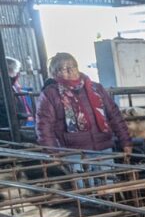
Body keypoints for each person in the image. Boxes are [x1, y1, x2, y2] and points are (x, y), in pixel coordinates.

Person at [35, 52, 132, 187]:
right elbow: (44, 126)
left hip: (103, 147)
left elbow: (114, 115)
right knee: (84, 191)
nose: (70, 71)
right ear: (55, 73)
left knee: (109, 188)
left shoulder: (95, 88)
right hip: (74, 152)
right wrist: (52, 153)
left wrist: (125, 141)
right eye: (64, 68)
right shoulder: (50, 94)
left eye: (73, 66)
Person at [1, 57, 29, 133]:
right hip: (8, 127)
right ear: (9, 70)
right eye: (16, 71)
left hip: (15, 125)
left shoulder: (11, 84)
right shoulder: (4, 84)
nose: (16, 74)